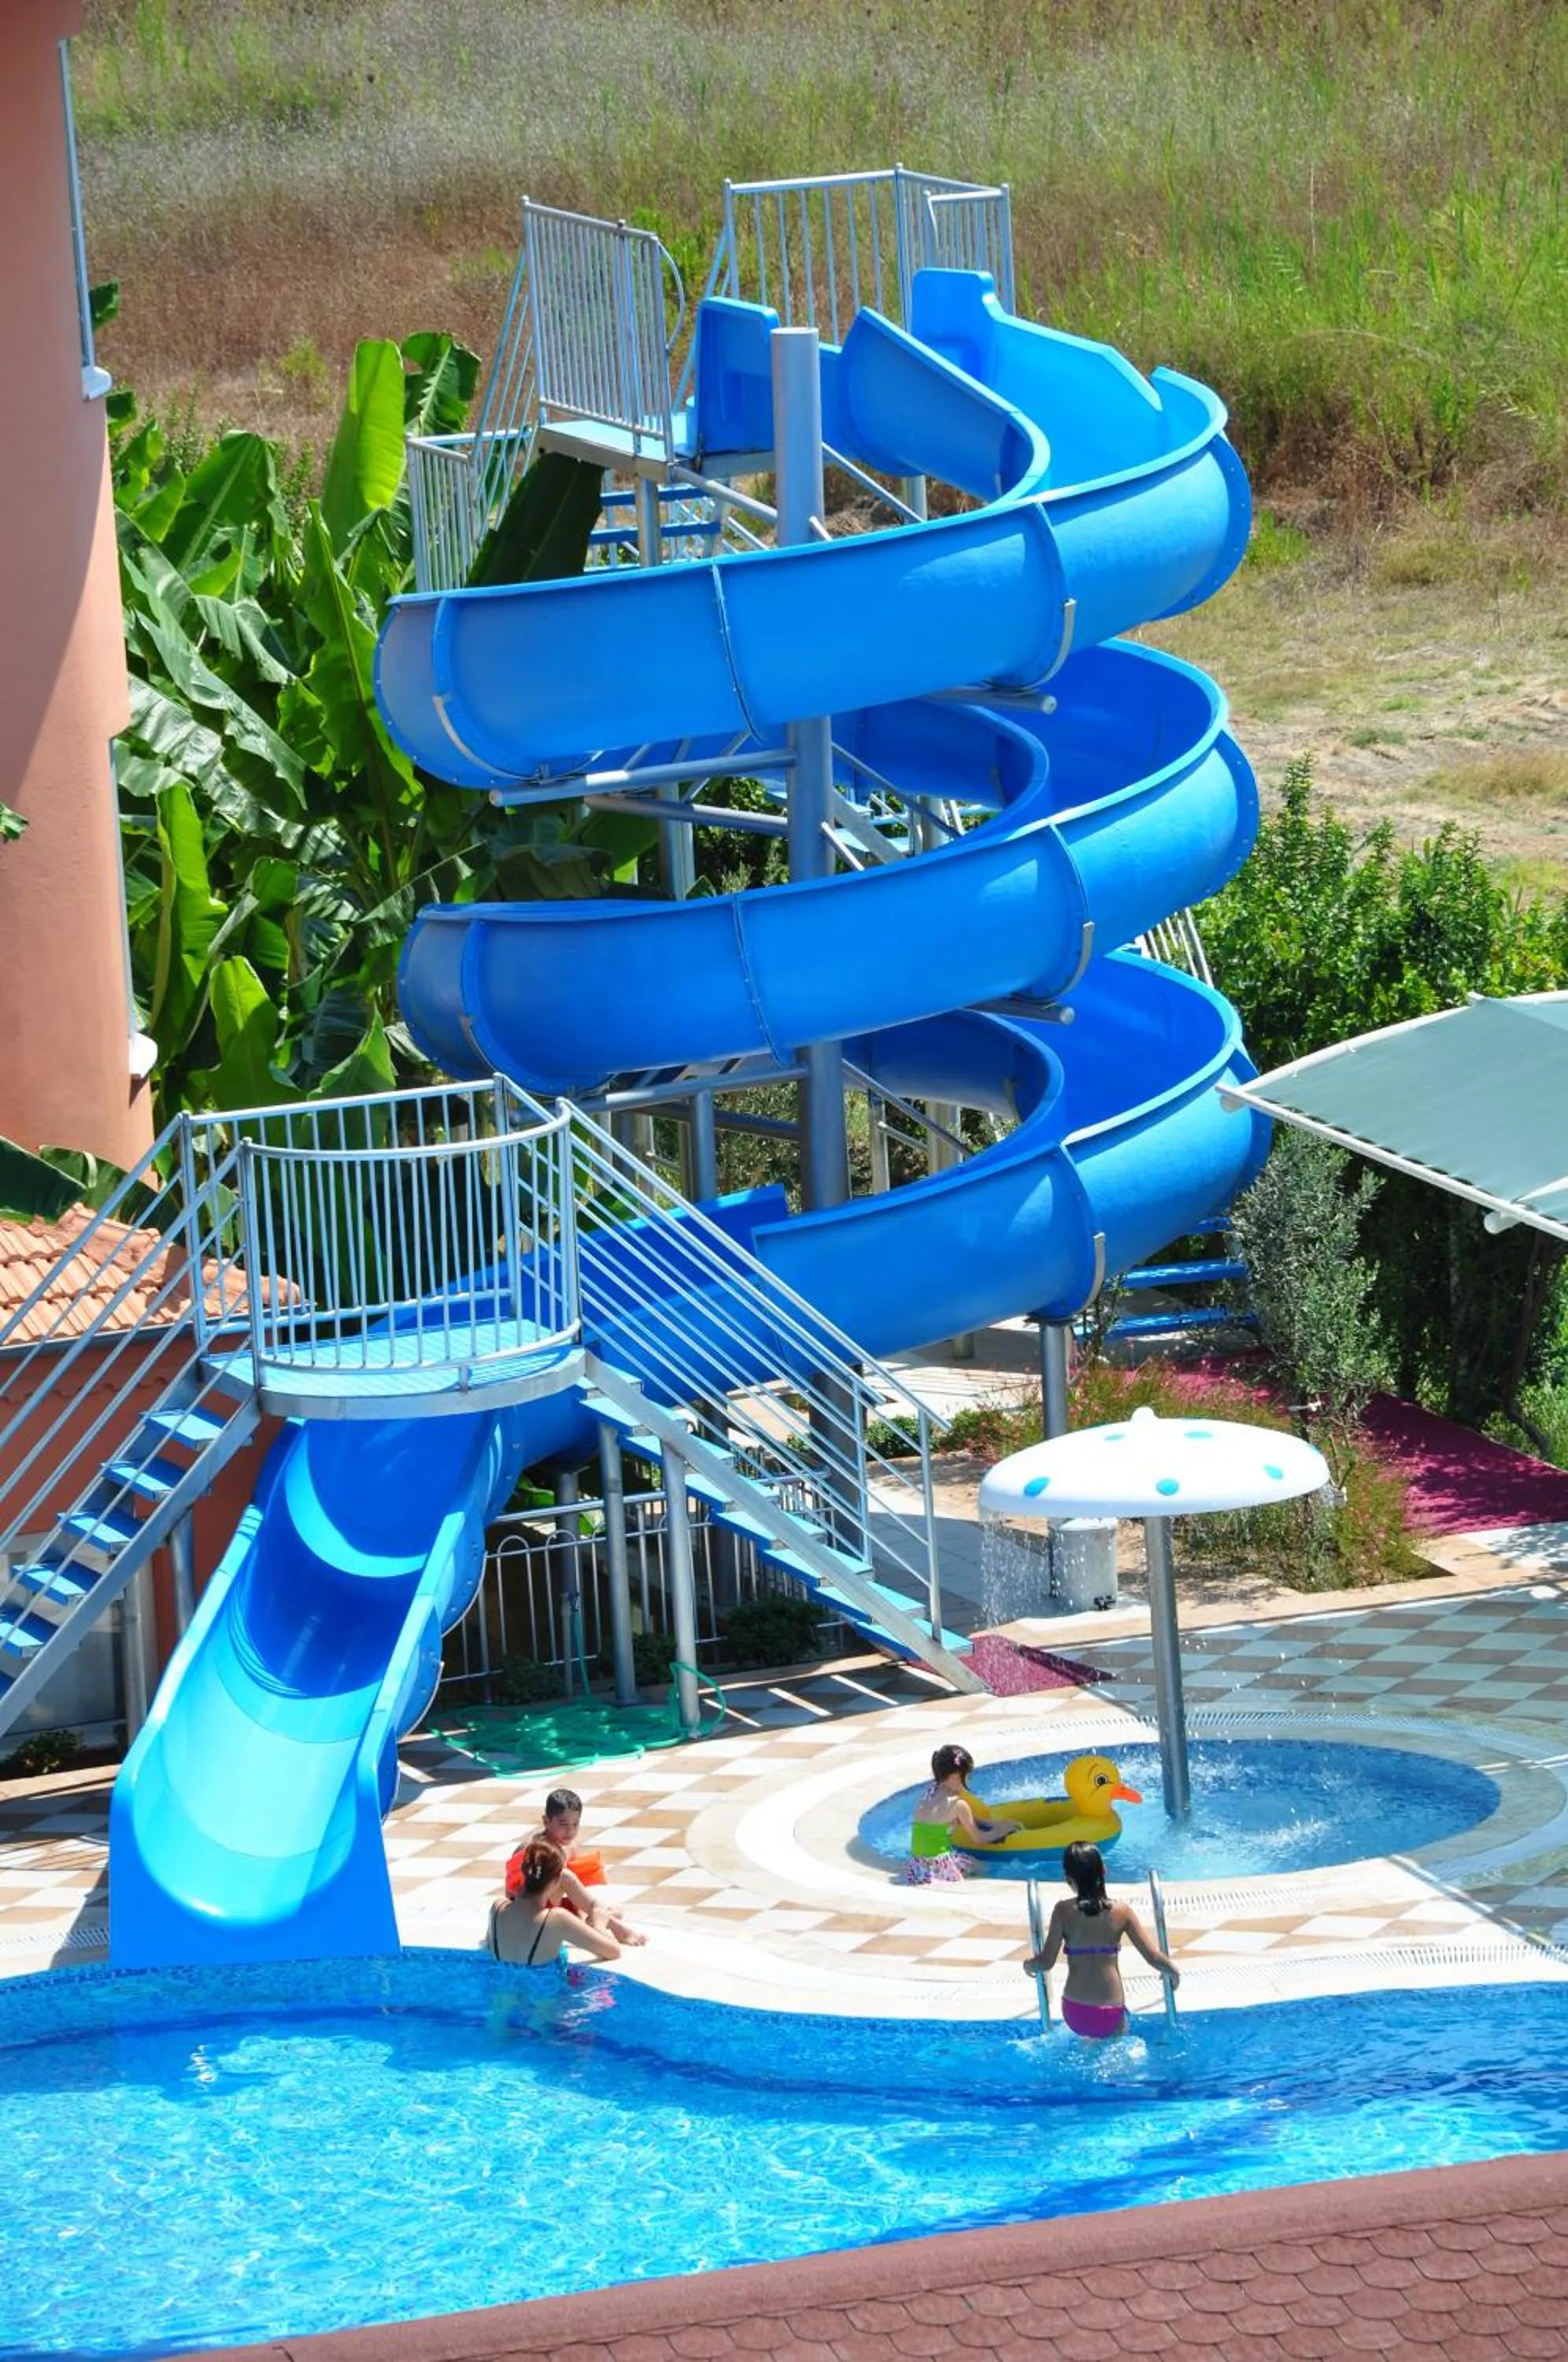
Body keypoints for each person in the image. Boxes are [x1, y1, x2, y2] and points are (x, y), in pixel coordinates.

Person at [1023, 1839, 1179, 2038]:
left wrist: (1028, 1965)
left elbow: (1046, 1962)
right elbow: (1153, 1957)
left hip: (1075, 2011)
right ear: (1104, 1870)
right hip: (1110, 2012)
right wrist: (1173, 1970)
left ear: (1069, 1879)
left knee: (1087, 2046)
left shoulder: (1062, 1911)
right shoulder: (1122, 1912)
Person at [505, 1786, 646, 1946]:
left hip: (554, 1905)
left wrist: (582, 1915)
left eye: (575, 1824)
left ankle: (598, 1918)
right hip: (532, 1911)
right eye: (563, 1824)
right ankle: (617, 1929)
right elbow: (511, 1891)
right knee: (565, 1877)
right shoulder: (532, 1849)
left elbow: (575, 1892)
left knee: (616, 1910)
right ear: (546, 1821)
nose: (570, 1831)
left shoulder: (570, 1847)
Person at [485, 1838, 623, 1968]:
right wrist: (599, 1925)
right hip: (542, 1984)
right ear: (557, 1880)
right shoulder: (557, 1919)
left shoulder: (497, 1908)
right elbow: (613, 1951)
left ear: (523, 1871)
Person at [902, 1743, 1026, 1884]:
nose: (969, 1781)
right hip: (939, 1867)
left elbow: (942, 1819)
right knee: (981, 1868)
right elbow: (979, 1838)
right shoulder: (958, 1804)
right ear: (957, 1777)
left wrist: (987, 1822)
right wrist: (1003, 1829)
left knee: (970, 1862)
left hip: (917, 1865)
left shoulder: (930, 1791)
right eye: (967, 1776)